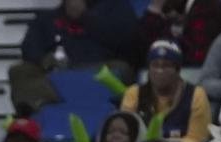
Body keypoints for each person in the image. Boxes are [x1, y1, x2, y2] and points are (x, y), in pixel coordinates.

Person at [9, 0, 139, 116]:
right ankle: (33, 116)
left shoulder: (117, 8)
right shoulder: (46, 19)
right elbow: (29, 48)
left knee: (122, 68)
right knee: (20, 70)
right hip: (55, 76)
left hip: (99, 72)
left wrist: (86, 17)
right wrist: (44, 60)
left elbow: (130, 46)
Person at [120, 40, 211, 142]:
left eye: (166, 66)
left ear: (177, 70)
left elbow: (197, 140)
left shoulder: (196, 94)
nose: (159, 71)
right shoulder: (134, 93)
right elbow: (126, 134)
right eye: (155, 65)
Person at [138, 0, 221, 66]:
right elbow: (139, 49)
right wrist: (156, 10)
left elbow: (196, 57)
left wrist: (155, 10)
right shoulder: (174, 9)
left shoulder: (206, 7)